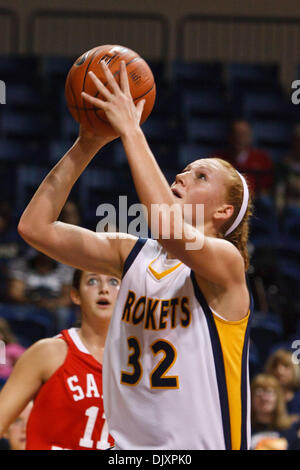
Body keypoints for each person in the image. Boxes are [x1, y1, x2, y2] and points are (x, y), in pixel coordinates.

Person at [18, 60, 253, 450]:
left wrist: (130, 127)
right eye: (185, 169)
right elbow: (35, 228)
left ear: (223, 212)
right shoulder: (133, 255)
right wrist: (87, 144)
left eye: (200, 176)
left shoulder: (226, 264)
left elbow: (167, 228)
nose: (180, 176)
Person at [0, 269, 120, 450]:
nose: (104, 289)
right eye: (92, 281)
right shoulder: (47, 352)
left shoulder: (140, 362)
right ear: (75, 295)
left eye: (113, 282)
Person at [8, 249, 74, 331]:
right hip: (29, 302)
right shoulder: (22, 265)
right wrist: (34, 301)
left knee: (63, 314)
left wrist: (52, 304)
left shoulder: (64, 268)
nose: (44, 257)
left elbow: (68, 298)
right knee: (16, 313)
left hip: (54, 304)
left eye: (47, 254)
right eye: (41, 254)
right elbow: (15, 293)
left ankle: (60, 340)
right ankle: (18, 341)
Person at [218, 119, 273, 195]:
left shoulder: (262, 159)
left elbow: (268, 188)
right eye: (236, 134)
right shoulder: (218, 159)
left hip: (255, 201)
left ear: (250, 137)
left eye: (243, 134)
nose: (239, 138)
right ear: (230, 136)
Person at [250, 373, 299, 450]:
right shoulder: (244, 431)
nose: (264, 397)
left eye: (269, 392)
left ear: (278, 399)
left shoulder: (289, 432)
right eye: (259, 392)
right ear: (250, 397)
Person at [265, 348, 300, 418]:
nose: (279, 371)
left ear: (295, 370)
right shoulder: (263, 398)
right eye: (275, 366)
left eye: (286, 366)